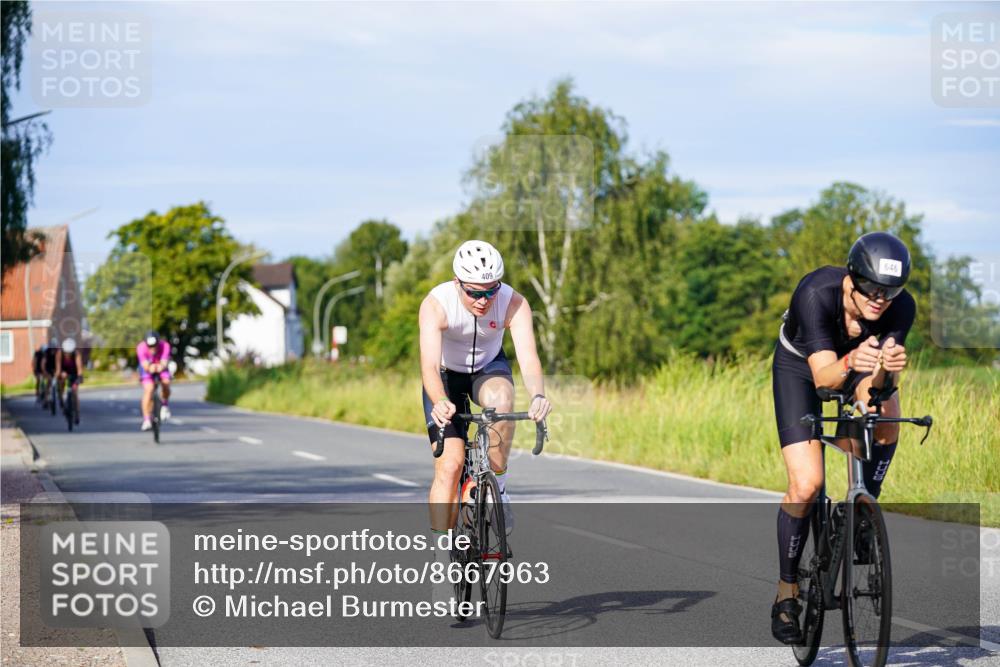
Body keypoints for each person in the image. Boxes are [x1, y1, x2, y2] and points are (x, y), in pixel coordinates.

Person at [770, 231, 915, 644]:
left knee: (887, 417)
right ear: (851, 279)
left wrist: (888, 370)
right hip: (802, 368)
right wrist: (852, 358)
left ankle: (865, 507)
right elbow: (824, 380)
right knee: (807, 484)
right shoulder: (816, 292)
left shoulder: (900, 308)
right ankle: (786, 593)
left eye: (891, 290)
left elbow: (873, 391)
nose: (880, 298)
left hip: (858, 366)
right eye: (871, 287)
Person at [419, 240, 553, 598]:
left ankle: (500, 488)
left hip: (487, 369)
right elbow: (429, 367)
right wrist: (440, 401)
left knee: (503, 400)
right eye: (475, 292)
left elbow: (528, 359)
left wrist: (538, 395)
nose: (484, 300)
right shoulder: (436, 304)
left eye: (490, 291)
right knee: (450, 465)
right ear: (457, 282)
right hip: (445, 377)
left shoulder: (513, 302)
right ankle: (441, 556)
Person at [137, 331, 172, 431]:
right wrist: (150, 367)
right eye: (150, 347)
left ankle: (165, 406)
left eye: (155, 346)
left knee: (166, 383)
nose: (152, 349)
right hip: (147, 369)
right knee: (149, 389)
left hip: (161, 366)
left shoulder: (165, 346)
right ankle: (147, 419)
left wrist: (160, 367)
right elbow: (144, 364)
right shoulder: (141, 347)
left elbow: (164, 362)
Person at [55, 337, 84, 424]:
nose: (68, 354)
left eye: (70, 353)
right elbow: (58, 368)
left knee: (75, 392)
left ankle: (77, 413)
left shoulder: (76, 354)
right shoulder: (59, 353)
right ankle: (62, 399)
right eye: (66, 353)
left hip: (74, 372)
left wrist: (79, 378)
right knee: (61, 382)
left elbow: (79, 369)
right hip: (64, 371)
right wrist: (59, 375)